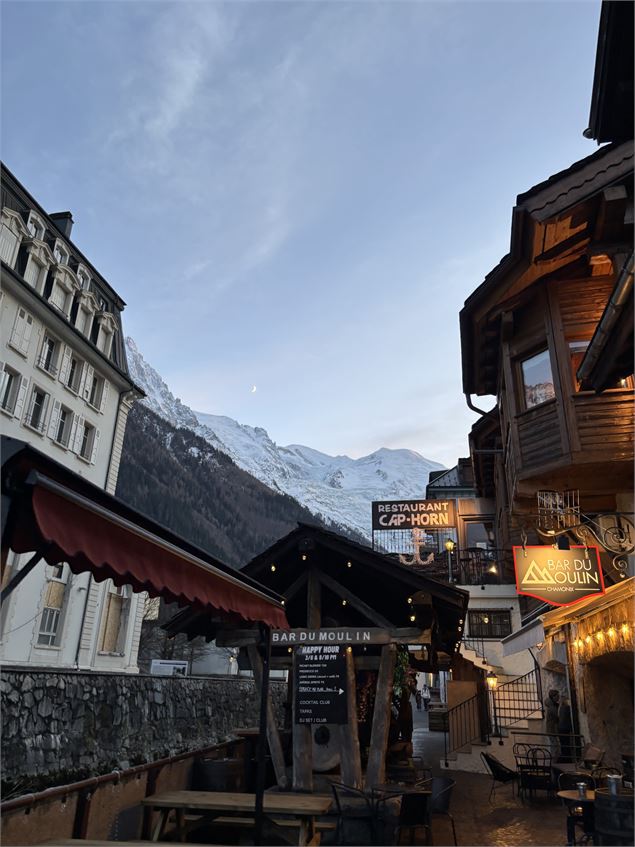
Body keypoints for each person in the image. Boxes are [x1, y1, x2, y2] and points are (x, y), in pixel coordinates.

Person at [544, 688, 560, 758]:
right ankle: (554, 760)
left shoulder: (552, 705)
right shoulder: (552, 707)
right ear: (553, 697)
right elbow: (557, 715)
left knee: (554, 745)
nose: (558, 697)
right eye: (557, 696)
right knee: (555, 745)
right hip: (552, 729)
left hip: (551, 729)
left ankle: (554, 759)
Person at [558, 696, 573, 763]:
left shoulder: (560, 708)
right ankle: (568, 759)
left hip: (560, 728)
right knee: (567, 744)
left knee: (563, 745)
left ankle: (565, 758)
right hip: (565, 728)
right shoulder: (566, 708)